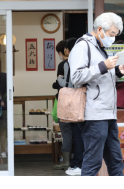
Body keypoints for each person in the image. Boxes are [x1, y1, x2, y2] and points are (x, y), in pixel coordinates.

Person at [69, 12, 124, 176]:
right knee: (93, 163)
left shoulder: (101, 47)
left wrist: (118, 71)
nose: (113, 38)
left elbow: (101, 76)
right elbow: (76, 77)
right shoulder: (82, 46)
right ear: (101, 29)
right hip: (94, 113)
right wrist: (104, 66)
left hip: (108, 113)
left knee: (116, 162)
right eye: (112, 34)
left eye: (115, 35)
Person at [57, 38, 84, 176]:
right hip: (85, 101)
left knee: (76, 135)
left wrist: (59, 79)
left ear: (67, 50)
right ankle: (77, 163)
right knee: (80, 135)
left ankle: (77, 164)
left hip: (73, 103)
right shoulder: (85, 61)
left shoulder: (69, 63)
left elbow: (67, 82)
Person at [53, 40, 72, 170]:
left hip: (65, 102)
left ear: (63, 51)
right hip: (78, 103)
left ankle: (66, 161)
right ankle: (75, 160)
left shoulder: (63, 65)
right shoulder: (80, 63)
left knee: (66, 132)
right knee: (76, 133)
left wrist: (55, 84)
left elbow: (61, 84)